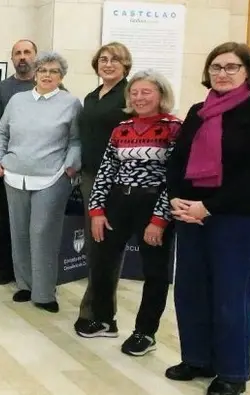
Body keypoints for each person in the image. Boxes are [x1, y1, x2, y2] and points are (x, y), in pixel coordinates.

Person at [165, 42, 250, 395]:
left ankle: (232, 372)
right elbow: (177, 161)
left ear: (248, 72)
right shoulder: (198, 111)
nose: (223, 73)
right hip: (190, 214)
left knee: (232, 296)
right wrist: (176, 198)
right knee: (191, 291)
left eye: (232, 67)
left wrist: (208, 206)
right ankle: (197, 358)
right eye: (217, 67)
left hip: (235, 216)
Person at [78, 70, 181, 358]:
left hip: (152, 205)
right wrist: (97, 209)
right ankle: (104, 319)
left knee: (155, 272)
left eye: (146, 92)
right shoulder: (121, 128)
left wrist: (160, 220)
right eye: (134, 93)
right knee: (102, 262)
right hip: (117, 203)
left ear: (161, 94)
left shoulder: (173, 128)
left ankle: (145, 332)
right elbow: (105, 171)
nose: (138, 97)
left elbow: (174, 178)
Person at [0, 51, 81, 313]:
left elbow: (76, 140)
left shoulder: (71, 103)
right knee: (18, 232)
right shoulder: (18, 101)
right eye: (43, 70)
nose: (47, 75)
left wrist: (69, 167)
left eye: (53, 71)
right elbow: (1, 131)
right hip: (14, 175)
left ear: (61, 76)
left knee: (43, 233)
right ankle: (25, 285)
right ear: (35, 74)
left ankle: (44, 293)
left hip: (52, 178)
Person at [75, 41, 133, 332]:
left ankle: (101, 315)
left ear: (125, 65)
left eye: (115, 60)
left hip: (115, 181)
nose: (107, 64)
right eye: (103, 59)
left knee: (106, 248)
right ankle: (94, 309)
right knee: (94, 247)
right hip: (89, 177)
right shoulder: (91, 96)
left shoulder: (128, 94)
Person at [0, 39, 38, 285]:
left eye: (27, 52)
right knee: (7, 220)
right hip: (9, 167)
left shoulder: (52, 86)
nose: (23, 57)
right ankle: (6, 269)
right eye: (18, 53)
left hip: (42, 170)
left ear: (36, 56)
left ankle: (36, 273)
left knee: (37, 224)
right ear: (12, 58)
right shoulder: (2, 89)